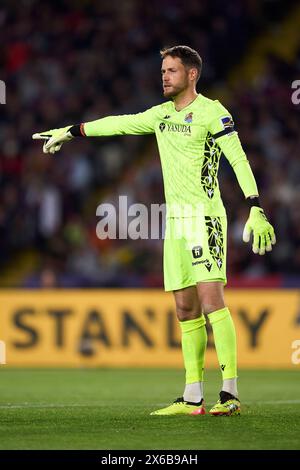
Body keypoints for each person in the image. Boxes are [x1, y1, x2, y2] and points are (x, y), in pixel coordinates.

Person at [32, 45, 276, 416]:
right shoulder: (160, 115)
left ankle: (229, 394)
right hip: (174, 223)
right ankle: (192, 396)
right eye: (163, 70)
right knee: (183, 307)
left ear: (191, 74)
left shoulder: (212, 112)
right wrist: (71, 131)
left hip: (204, 218)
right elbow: (117, 123)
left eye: (172, 70)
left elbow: (237, 158)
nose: (164, 76)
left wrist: (255, 205)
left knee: (212, 301)